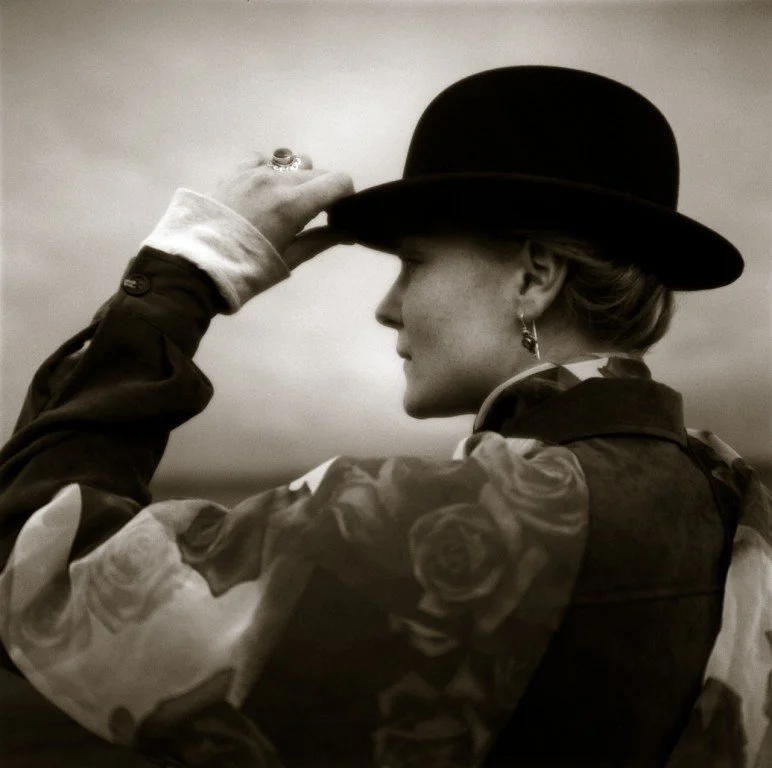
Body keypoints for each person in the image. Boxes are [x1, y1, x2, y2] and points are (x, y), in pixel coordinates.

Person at [0, 66, 768, 768]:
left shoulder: (475, 515)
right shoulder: (726, 498)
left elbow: (32, 568)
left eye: (414, 263)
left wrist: (184, 276)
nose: (387, 307)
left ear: (535, 277)